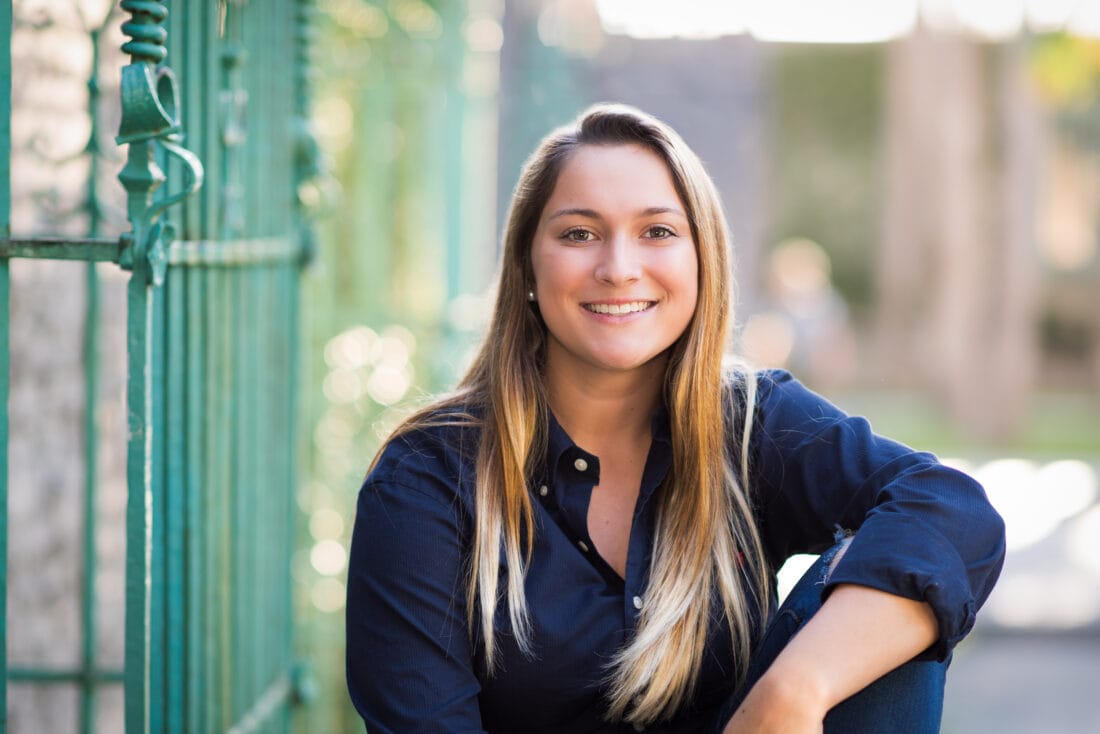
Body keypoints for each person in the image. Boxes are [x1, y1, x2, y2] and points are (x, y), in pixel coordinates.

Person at [345, 104, 1005, 733]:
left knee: (885, 591)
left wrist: (795, 687)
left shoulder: (750, 423)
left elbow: (949, 511)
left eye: (657, 231)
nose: (619, 268)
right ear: (526, 264)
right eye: (579, 233)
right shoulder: (428, 477)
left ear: (702, 259)